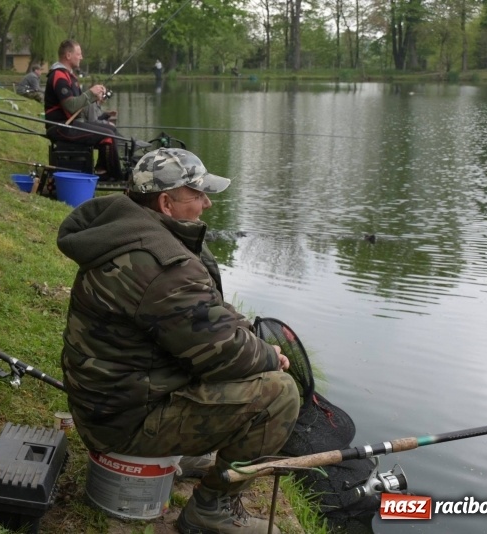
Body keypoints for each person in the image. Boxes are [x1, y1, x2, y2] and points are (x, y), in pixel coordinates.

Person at [56, 148, 300, 534]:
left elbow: (207, 311)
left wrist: (248, 337)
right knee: (280, 395)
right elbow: (224, 353)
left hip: (108, 403)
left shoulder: (126, 232)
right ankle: (212, 509)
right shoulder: (161, 264)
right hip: (122, 423)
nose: (207, 204)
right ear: (166, 203)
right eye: (197, 194)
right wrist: (269, 356)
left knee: (243, 364)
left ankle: (181, 452)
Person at [44, 39, 122, 180]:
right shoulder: (58, 75)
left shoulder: (70, 76)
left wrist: (95, 99)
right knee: (108, 136)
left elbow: (79, 106)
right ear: (68, 55)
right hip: (60, 127)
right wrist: (90, 93)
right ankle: (115, 176)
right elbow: (71, 106)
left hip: (71, 124)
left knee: (111, 129)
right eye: (78, 54)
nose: (81, 57)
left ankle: (102, 169)